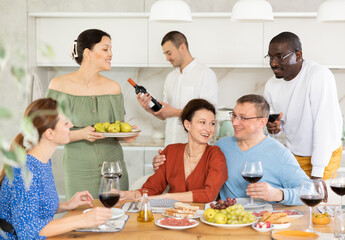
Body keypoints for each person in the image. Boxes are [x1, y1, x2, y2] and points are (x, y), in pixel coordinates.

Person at [0, 98, 112, 239]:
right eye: (66, 123)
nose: (71, 125)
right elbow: (28, 233)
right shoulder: (24, 172)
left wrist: (66, 205)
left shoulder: (42, 162)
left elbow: (33, 208)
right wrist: (83, 220)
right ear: (50, 133)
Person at [46, 29, 137, 199]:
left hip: (113, 167)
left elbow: (115, 131)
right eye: (105, 49)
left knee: (116, 216)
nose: (111, 54)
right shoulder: (58, 86)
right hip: (78, 168)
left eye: (110, 49)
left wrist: (125, 135)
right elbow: (49, 133)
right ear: (87, 53)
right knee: (80, 216)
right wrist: (81, 134)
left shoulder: (114, 87)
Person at [264, 31, 343, 180]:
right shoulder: (271, 85)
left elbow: (324, 126)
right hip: (295, 155)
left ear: (298, 55)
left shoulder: (318, 76)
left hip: (325, 156)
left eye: (280, 57)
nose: (273, 63)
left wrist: (317, 174)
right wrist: (275, 128)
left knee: (318, 201)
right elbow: (277, 127)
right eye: (271, 57)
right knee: (296, 202)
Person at [120, 99, 228, 203]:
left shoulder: (216, 155)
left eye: (212, 123)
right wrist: (126, 195)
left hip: (202, 217)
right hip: (171, 216)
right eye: (202, 122)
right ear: (187, 124)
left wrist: (167, 197)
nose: (208, 129)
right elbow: (152, 188)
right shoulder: (171, 151)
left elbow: (208, 194)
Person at [215, 94, 310, 206]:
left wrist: (278, 194)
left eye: (243, 118)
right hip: (228, 220)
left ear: (262, 122)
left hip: (264, 219)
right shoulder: (221, 146)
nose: (235, 122)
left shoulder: (280, 154)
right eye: (234, 115)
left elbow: (308, 191)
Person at [136, 31, 218, 147]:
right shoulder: (170, 77)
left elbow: (209, 114)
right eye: (165, 54)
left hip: (194, 149)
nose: (167, 58)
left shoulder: (205, 74)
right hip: (170, 145)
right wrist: (149, 109)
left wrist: (173, 111)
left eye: (169, 53)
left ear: (182, 47)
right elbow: (164, 114)